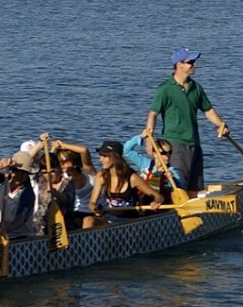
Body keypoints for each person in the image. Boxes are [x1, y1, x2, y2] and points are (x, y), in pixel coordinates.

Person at [145, 47, 230, 193]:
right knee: (178, 186)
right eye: (191, 62)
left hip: (195, 143)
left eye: (194, 61)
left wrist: (221, 124)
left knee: (195, 188)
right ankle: (173, 212)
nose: (194, 64)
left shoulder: (196, 87)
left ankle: (196, 212)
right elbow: (153, 114)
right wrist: (149, 139)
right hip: (176, 144)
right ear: (179, 65)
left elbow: (208, 110)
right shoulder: (165, 89)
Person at [83, 141, 164, 228]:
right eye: (100, 155)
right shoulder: (101, 176)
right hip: (108, 217)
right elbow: (92, 203)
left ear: (114, 157)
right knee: (88, 220)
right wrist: (94, 208)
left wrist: (156, 202)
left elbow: (159, 197)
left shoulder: (132, 178)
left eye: (104, 156)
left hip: (128, 221)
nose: (100, 159)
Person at [122, 134, 185, 204]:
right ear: (154, 154)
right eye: (163, 153)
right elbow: (126, 150)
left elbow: (181, 188)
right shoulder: (144, 163)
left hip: (162, 205)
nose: (167, 156)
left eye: (169, 152)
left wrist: (172, 179)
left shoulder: (171, 171)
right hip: (143, 201)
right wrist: (141, 137)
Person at [51, 139, 97, 228]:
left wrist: (62, 145)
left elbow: (84, 150)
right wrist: (53, 149)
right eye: (59, 162)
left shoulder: (88, 171)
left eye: (63, 161)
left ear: (72, 160)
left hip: (95, 212)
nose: (61, 164)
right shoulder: (62, 176)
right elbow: (46, 164)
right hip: (75, 212)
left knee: (87, 222)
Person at [0, 151, 38, 240]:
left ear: (28, 174)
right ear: (11, 170)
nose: (19, 175)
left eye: (24, 172)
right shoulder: (2, 181)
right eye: (17, 171)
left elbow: (21, 218)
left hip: (21, 236)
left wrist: (9, 227)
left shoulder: (28, 193)